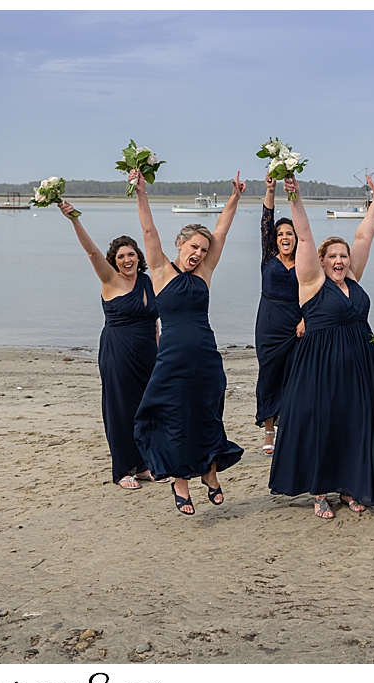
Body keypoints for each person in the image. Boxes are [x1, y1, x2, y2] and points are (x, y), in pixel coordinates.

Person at [267, 176, 374, 518]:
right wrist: (294, 198)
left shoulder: (353, 279)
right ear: (320, 261)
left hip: (360, 365)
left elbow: (364, 234)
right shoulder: (311, 283)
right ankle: (320, 492)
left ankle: (351, 487)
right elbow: (304, 235)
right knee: (322, 423)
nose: (339, 260)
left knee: (355, 422)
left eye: (344, 256)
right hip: (319, 366)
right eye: (332, 256)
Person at [130, 170, 245, 515]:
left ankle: (209, 473)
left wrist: (235, 198)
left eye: (203, 250)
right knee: (174, 418)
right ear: (180, 244)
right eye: (194, 246)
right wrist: (141, 192)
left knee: (208, 414)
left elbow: (221, 232)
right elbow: (148, 231)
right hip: (173, 358)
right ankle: (180, 482)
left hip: (206, 356)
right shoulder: (161, 271)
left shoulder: (205, 275)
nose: (198, 253)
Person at [58, 202, 162, 490]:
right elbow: (91, 251)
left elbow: (154, 322)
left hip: (148, 353)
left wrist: (159, 350)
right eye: (121, 256)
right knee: (119, 409)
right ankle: (122, 470)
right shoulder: (110, 279)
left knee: (147, 407)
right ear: (113, 260)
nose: (127, 260)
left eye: (131, 254)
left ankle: (143, 465)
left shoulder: (148, 281)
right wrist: (74, 220)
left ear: (138, 256)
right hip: (117, 352)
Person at [255, 175, 305, 455]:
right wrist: (271, 189)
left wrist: (305, 318)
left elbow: (314, 293)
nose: (285, 237)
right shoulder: (268, 257)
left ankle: (291, 427)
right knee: (269, 374)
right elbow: (266, 218)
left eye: (290, 233)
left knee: (295, 375)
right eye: (280, 234)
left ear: (297, 237)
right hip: (269, 322)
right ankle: (269, 430)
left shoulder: (306, 261)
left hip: (295, 322)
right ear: (275, 239)